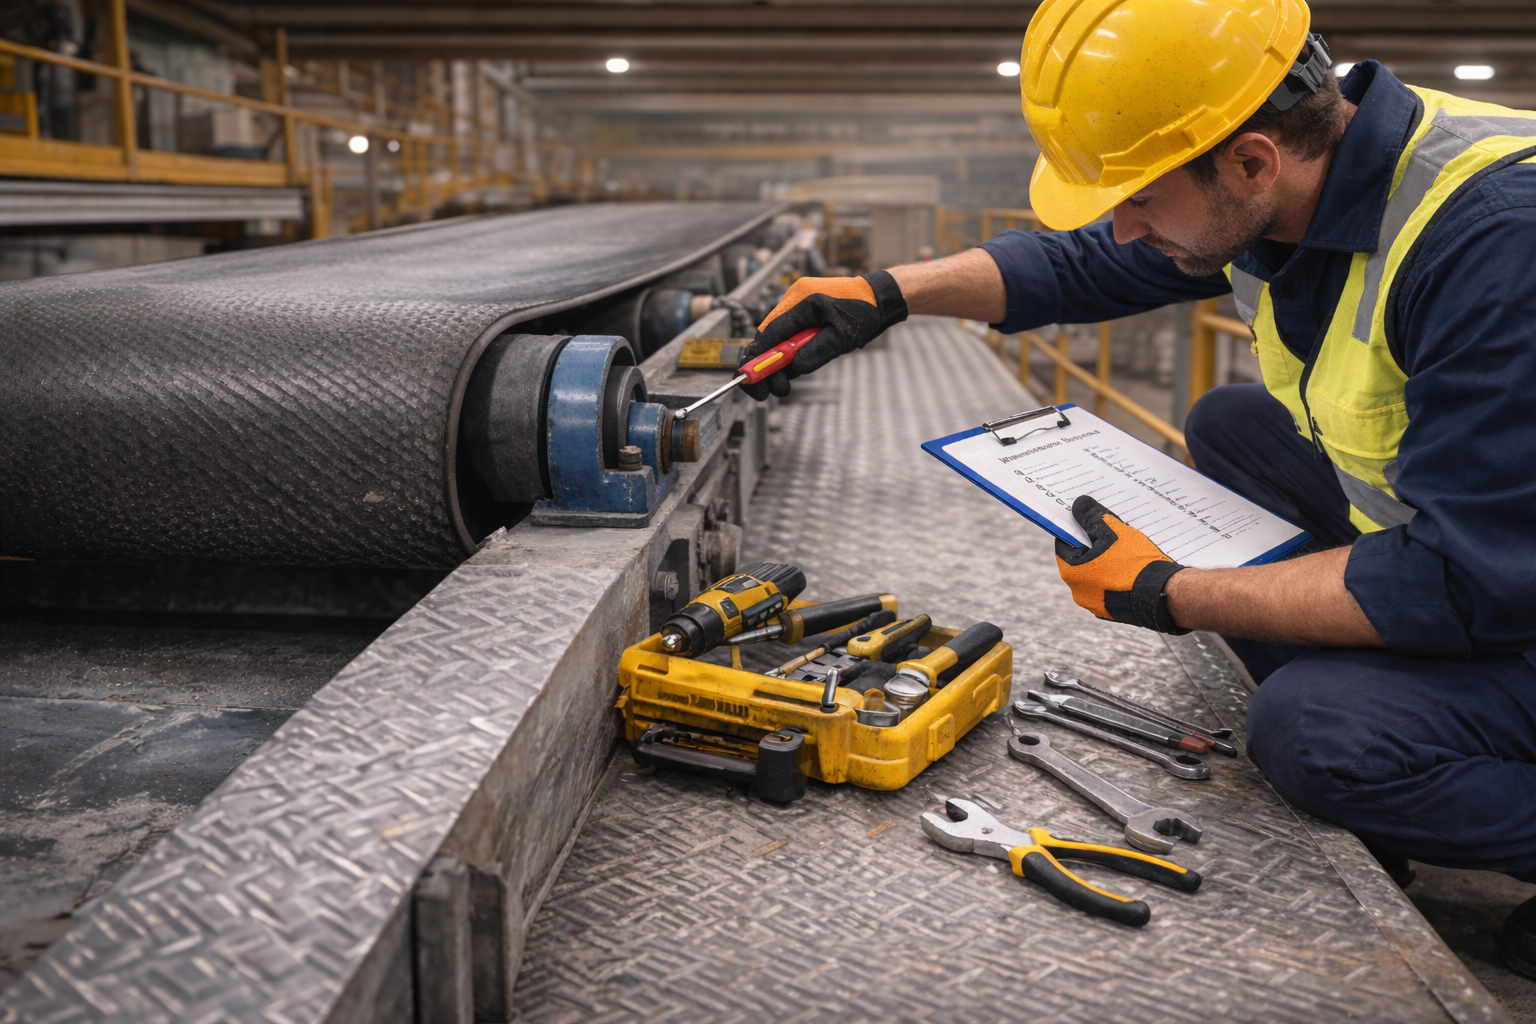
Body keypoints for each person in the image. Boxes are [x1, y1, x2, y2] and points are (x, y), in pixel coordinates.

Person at [738, 0, 1536, 975]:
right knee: (1230, 424)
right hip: (1495, 538)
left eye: (1142, 198)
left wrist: (1173, 590)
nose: (1123, 224)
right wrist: (890, 294)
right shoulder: (1311, 174)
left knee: (1314, 735)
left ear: (1251, 162)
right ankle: (1407, 747)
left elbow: (1468, 579)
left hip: (1501, 581)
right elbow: (1088, 264)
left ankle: (1408, 758)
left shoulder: (1495, 248)